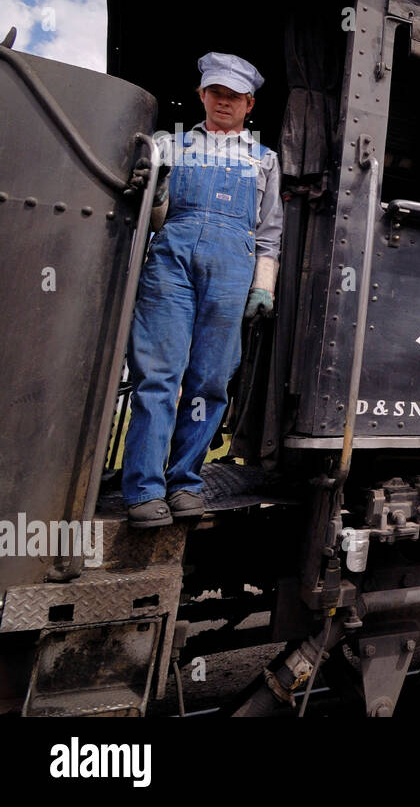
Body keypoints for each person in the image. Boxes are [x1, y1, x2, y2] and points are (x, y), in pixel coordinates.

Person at [122, 52, 283, 528]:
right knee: (158, 377)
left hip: (233, 273)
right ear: (203, 95)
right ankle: (144, 490)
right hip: (170, 265)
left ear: (249, 103)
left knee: (210, 381)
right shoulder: (168, 146)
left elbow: (269, 234)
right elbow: (150, 219)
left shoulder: (264, 160)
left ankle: (186, 483)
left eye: (234, 96)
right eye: (216, 93)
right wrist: (152, 188)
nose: (223, 103)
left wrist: (263, 286)